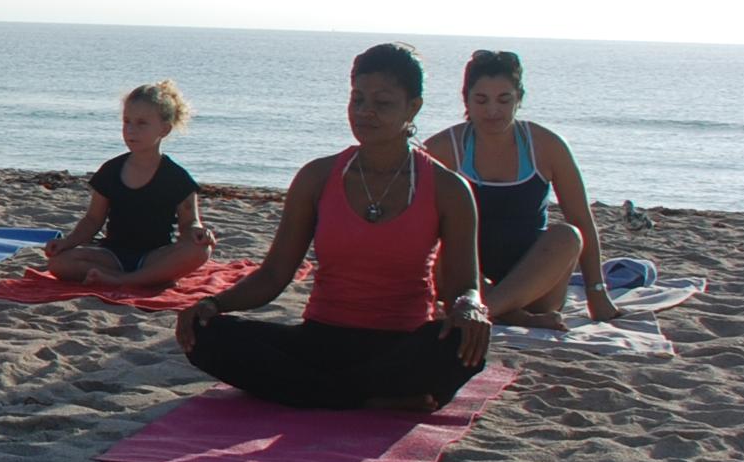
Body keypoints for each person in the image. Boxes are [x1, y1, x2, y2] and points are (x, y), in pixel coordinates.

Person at [176, 43, 491, 411]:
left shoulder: (448, 189)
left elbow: (464, 286)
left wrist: (470, 307)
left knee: (462, 347)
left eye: (382, 103)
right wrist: (213, 303)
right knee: (204, 335)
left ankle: (330, 393)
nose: (365, 112)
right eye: (357, 99)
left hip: (401, 344)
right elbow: (275, 274)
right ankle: (369, 397)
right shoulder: (318, 176)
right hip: (321, 340)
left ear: (413, 107)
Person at [423, 49, 620, 328]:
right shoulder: (442, 149)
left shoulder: (546, 146)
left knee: (569, 235)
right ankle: (505, 314)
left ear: (519, 99)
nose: (493, 110)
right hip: (464, 281)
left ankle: (486, 311)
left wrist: (596, 292)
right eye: (481, 100)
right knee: (434, 236)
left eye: (504, 100)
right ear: (465, 98)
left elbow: (581, 219)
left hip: (534, 285)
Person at [44, 81, 215, 289]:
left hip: (156, 255)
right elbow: (92, 220)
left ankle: (124, 280)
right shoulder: (110, 170)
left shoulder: (176, 177)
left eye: (142, 123)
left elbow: (189, 223)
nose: (131, 130)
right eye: (127, 122)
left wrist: (199, 232)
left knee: (200, 251)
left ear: (165, 129)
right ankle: (144, 278)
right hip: (112, 255)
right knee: (59, 263)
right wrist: (67, 243)